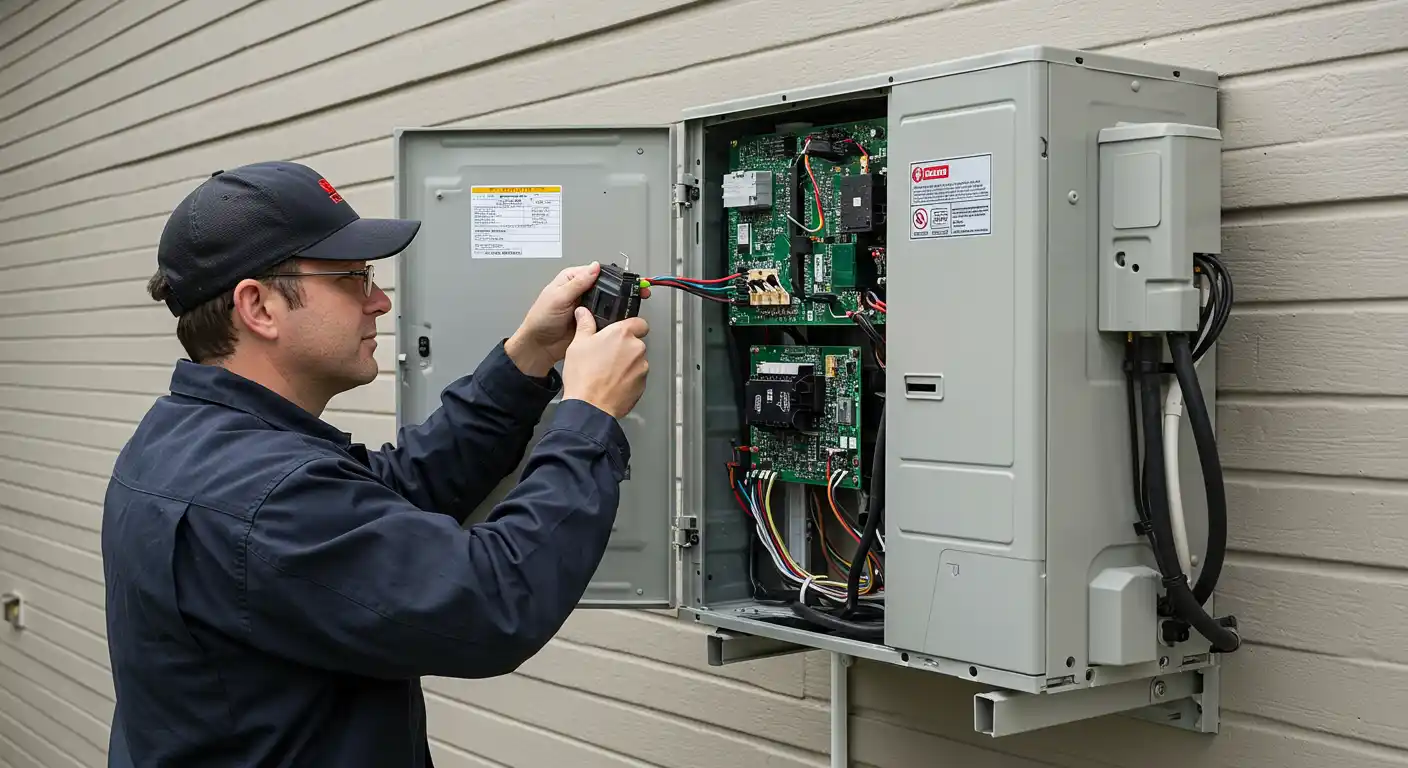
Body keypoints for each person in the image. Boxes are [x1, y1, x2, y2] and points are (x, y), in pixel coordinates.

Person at [101, 160, 651, 767]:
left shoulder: (191, 439)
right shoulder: (261, 493)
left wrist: (526, 360)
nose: (382, 301)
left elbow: (393, 492)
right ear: (258, 307)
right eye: (353, 279)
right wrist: (587, 417)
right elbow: (490, 603)